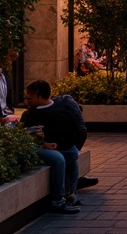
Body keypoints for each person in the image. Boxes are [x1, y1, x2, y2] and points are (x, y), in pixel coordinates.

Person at [20, 79, 86, 214]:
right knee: (58, 158)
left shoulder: (63, 107)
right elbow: (23, 136)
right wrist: (44, 144)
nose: (26, 101)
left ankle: (70, 193)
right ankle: (58, 199)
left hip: (63, 145)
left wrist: (62, 144)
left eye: (29, 98)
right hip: (41, 148)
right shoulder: (29, 115)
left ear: (39, 95)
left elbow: (75, 129)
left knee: (72, 153)